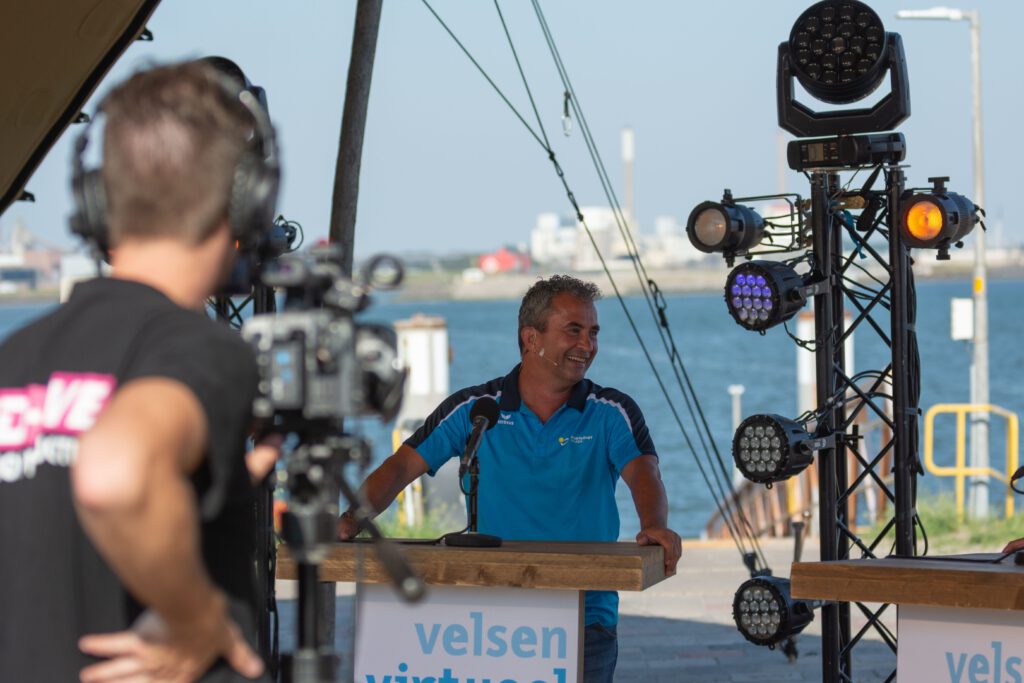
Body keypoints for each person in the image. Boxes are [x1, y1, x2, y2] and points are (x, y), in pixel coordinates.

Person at [0, 61, 279, 682]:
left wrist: (221, 482)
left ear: (99, 203)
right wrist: (194, 615)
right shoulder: (203, 350)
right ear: (244, 199)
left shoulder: (14, 361)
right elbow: (115, 471)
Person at [337, 274, 682, 682]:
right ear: (530, 338)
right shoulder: (475, 408)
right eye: (573, 330)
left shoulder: (610, 410)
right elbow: (400, 467)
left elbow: (643, 471)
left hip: (584, 615)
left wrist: (654, 526)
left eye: (593, 333)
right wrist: (350, 519)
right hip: (490, 619)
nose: (587, 345)